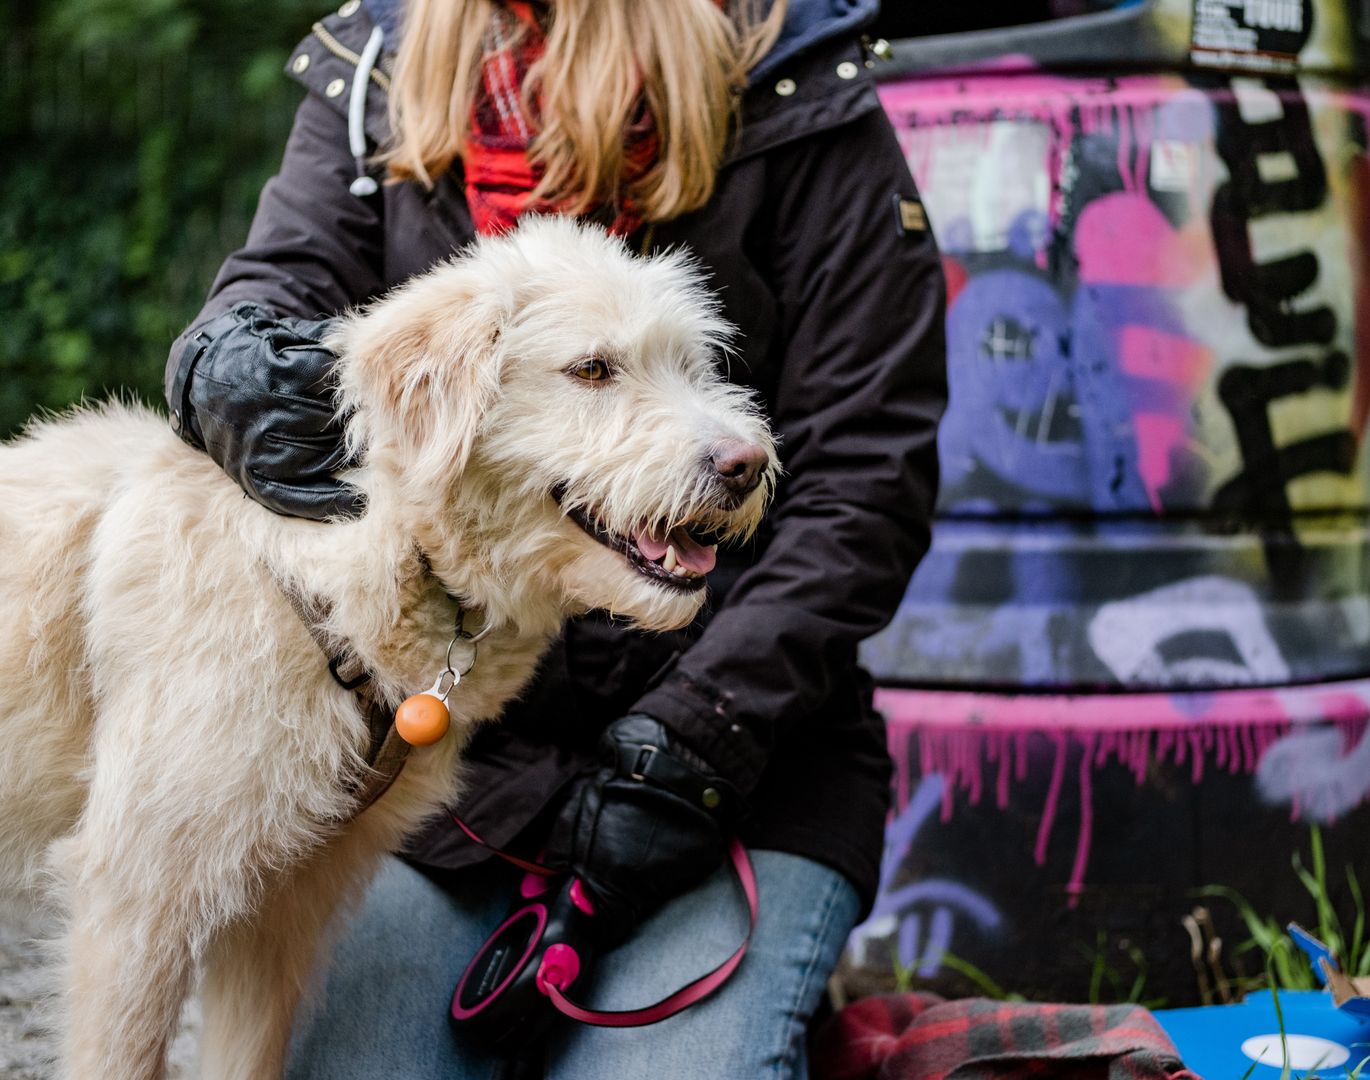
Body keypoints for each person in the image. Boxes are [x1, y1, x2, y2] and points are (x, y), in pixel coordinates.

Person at [164, 0, 946, 1075]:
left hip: (736, 775)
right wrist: (228, 371)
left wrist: (691, 747)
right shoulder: (376, 76)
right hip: (442, 769)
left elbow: (867, 474)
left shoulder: (797, 82)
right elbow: (270, 294)